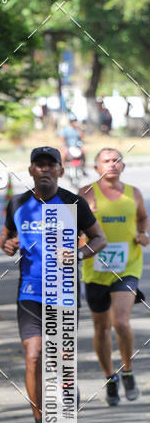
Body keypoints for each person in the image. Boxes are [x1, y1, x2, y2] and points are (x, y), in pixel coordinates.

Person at [0, 147, 106, 423]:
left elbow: (99, 238)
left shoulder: (73, 202)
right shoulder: (18, 203)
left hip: (64, 290)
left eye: (51, 165)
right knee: (33, 356)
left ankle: (67, 390)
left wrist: (79, 255)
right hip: (29, 292)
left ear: (60, 170)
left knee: (61, 358)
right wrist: (8, 245)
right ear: (31, 170)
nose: (44, 170)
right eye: (39, 165)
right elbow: (5, 238)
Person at [79, 148, 149, 405]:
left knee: (121, 322)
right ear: (96, 167)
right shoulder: (86, 194)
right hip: (95, 271)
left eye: (116, 160)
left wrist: (144, 234)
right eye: (106, 161)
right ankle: (110, 377)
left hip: (128, 267)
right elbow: (73, 227)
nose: (112, 164)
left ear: (123, 165)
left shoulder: (134, 193)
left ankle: (127, 371)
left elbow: (143, 218)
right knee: (101, 328)